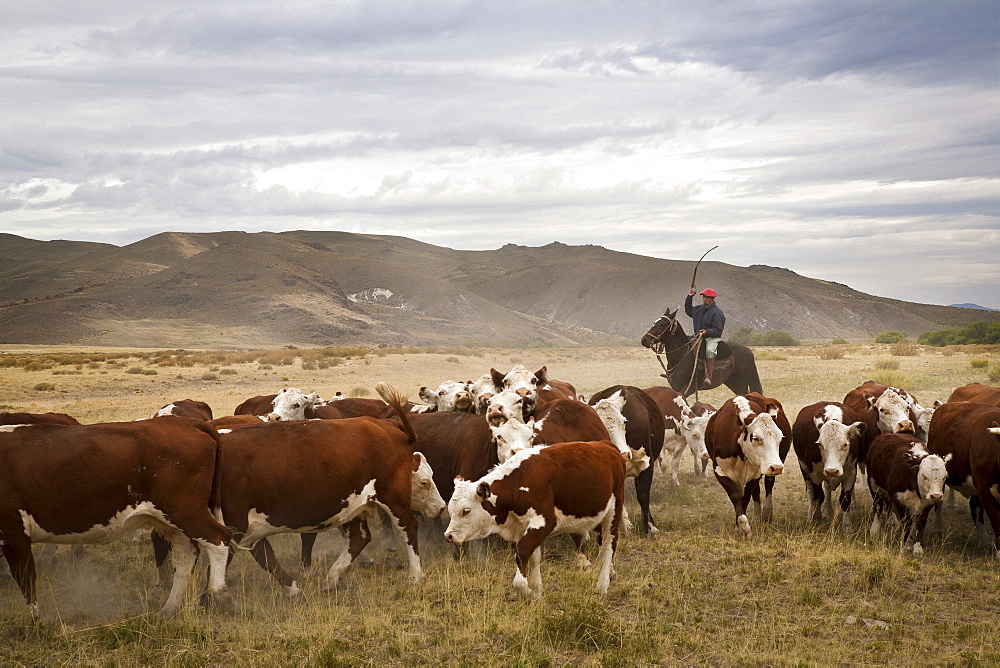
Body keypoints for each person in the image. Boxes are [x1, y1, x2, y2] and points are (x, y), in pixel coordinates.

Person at [685, 288, 726, 385]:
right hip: (698, 336)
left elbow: (718, 330)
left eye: (707, 297)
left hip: (712, 337)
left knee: (710, 351)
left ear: (712, 299)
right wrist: (689, 297)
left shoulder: (717, 313)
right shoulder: (698, 309)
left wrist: (706, 332)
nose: (705, 299)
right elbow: (688, 310)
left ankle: (709, 376)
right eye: (704, 297)